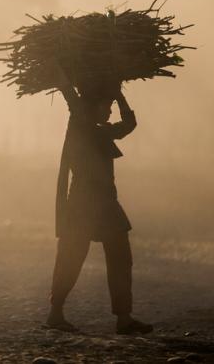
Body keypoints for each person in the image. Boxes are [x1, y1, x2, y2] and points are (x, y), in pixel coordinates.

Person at [46, 64, 152, 335]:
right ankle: (55, 313)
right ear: (92, 107)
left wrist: (118, 95)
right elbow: (73, 100)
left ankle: (124, 318)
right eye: (106, 106)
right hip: (83, 204)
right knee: (71, 257)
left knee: (120, 256)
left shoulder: (101, 131)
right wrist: (63, 81)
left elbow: (130, 123)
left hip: (106, 204)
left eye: (111, 106)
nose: (110, 111)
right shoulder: (81, 126)